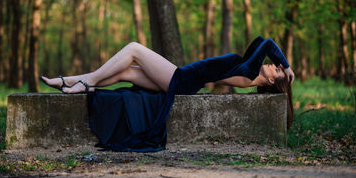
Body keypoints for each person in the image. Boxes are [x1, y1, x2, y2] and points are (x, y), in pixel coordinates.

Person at [40, 36, 294, 152]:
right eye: (278, 64)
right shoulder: (250, 67)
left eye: (279, 69)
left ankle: (87, 83)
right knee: (125, 72)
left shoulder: (250, 73)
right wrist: (287, 68)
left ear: (272, 80)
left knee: (133, 48)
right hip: (181, 77)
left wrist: (289, 67)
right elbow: (262, 40)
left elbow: (268, 42)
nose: (276, 64)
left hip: (180, 80)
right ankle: (68, 81)